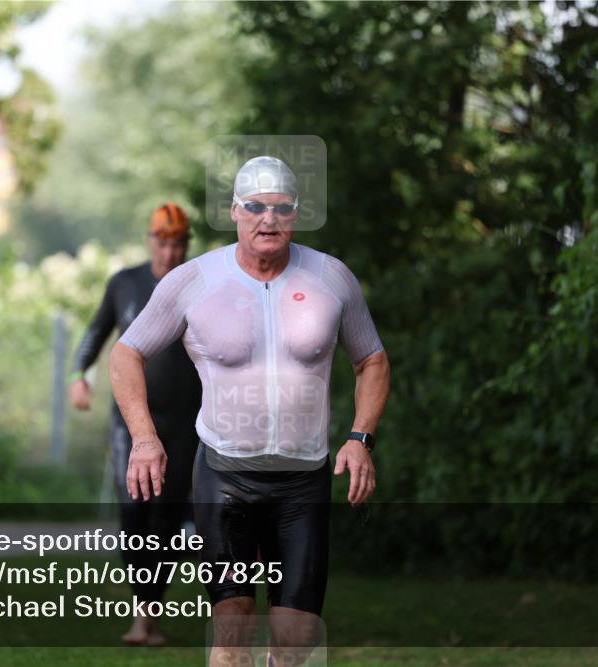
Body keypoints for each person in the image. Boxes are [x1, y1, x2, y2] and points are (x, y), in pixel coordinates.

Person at [109, 156, 390, 666]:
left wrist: (360, 438)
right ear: (235, 211)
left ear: (296, 214)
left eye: (280, 208)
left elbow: (372, 360)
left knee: (295, 642)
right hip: (225, 475)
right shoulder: (194, 280)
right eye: (256, 207)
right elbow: (126, 353)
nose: (268, 219)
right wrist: (146, 440)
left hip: (303, 480)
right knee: (232, 633)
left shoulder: (331, 277)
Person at [69, 202, 202, 646]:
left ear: (187, 246)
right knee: (133, 511)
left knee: (166, 516)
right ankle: (143, 609)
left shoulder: (202, 286)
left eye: (178, 244)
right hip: (130, 423)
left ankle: (148, 617)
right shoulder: (125, 283)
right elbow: (95, 332)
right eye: (162, 243)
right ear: (151, 242)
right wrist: (79, 376)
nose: (169, 253)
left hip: (185, 422)